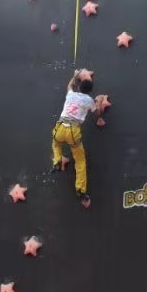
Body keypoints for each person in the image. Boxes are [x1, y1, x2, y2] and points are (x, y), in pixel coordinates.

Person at [51, 69, 101, 207]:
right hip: (73, 131)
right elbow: (96, 113)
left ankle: (57, 161)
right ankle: (80, 190)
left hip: (60, 127)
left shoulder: (71, 94)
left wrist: (74, 75)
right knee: (80, 161)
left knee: (56, 144)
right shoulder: (89, 100)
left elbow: (69, 86)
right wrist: (98, 105)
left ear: (78, 87)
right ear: (90, 91)